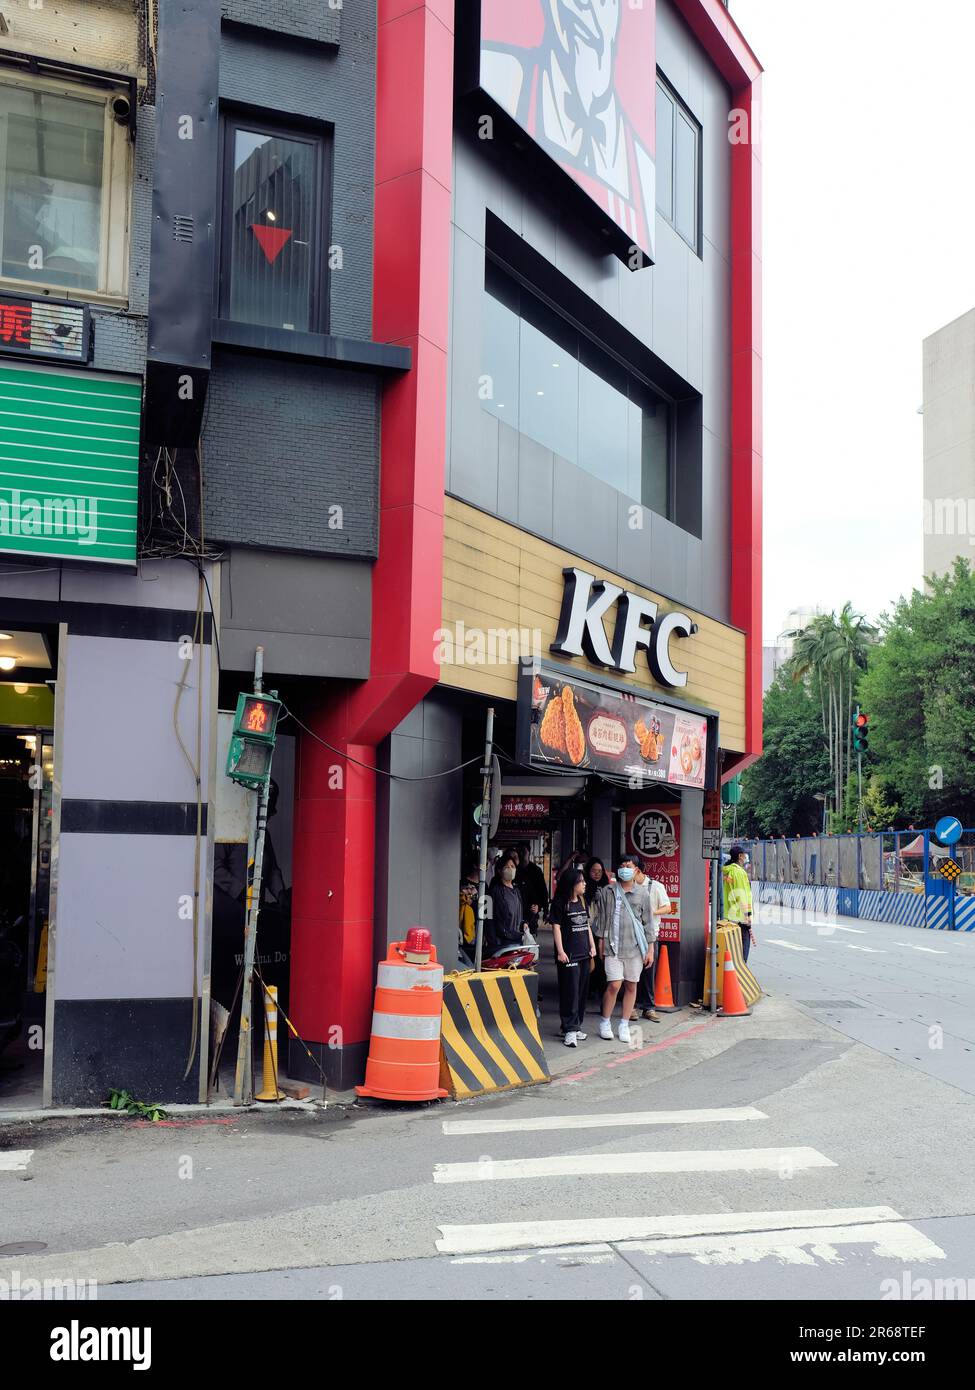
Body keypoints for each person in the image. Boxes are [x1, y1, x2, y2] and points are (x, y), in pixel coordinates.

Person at [592, 855, 655, 1043]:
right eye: (622, 865)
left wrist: (650, 949)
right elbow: (602, 918)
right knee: (614, 984)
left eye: (629, 866)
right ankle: (605, 1022)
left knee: (631, 985)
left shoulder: (642, 894)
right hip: (612, 947)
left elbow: (648, 923)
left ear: (636, 870)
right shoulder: (608, 891)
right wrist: (601, 941)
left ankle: (624, 1024)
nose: (625, 869)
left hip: (634, 949)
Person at [549, 867, 596, 1047]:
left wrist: (592, 946)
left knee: (581, 992)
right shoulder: (560, 902)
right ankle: (569, 1029)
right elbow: (556, 927)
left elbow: (586, 925)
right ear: (572, 884)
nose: (584, 884)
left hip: (584, 953)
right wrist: (560, 951)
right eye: (581, 881)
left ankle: (575, 1026)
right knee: (570, 992)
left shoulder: (582, 900)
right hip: (569, 955)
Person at [633, 856, 672, 1021]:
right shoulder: (628, 888)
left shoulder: (655, 886)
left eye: (629, 869)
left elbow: (668, 907)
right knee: (632, 973)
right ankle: (633, 1007)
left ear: (637, 870)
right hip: (632, 936)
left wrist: (651, 912)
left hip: (650, 937)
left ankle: (649, 1007)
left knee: (648, 973)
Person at [486, 852, 526, 957]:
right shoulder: (494, 891)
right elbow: (488, 918)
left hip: (517, 937)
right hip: (501, 940)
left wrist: (524, 923)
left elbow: (520, 911)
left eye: (512, 866)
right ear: (499, 870)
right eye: (507, 867)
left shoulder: (517, 890)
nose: (510, 869)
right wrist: (493, 941)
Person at [722, 844, 756, 961]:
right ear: (740, 856)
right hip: (740, 916)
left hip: (730, 914)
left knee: (732, 946)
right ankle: (742, 968)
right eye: (744, 855)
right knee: (743, 945)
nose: (746, 857)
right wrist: (747, 915)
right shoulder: (739, 873)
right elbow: (742, 895)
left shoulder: (727, 871)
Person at [515, 841, 549, 930]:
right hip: (516, 908)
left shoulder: (536, 870)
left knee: (531, 933)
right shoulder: (515, 870)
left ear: (529, 852)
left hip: (532, 908)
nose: (521, 854)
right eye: (519, 852)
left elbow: (543, 891)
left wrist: (545, 909)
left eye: (524, 851)